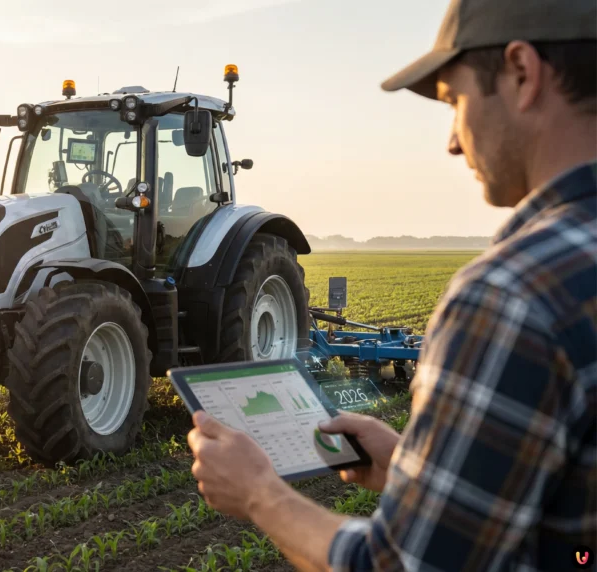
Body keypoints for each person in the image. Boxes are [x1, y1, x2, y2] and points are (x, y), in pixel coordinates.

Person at [186, 0, 596, 569]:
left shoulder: (512, 298)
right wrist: (413, 467)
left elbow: (400, 564)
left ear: (522, 74)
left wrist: (260, 494)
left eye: (455, 102)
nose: (453, 142)